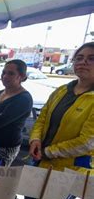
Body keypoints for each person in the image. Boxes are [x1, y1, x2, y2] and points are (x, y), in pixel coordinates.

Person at [29, 42, 94, 175]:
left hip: (73, 172)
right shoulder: (62, 90)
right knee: (29, 196)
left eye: (91, 58)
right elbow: (42, 119)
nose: (83, 62)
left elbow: (87, 142)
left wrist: (48, 152)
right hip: (41, 163)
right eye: (79, 58)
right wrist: (35, 139)